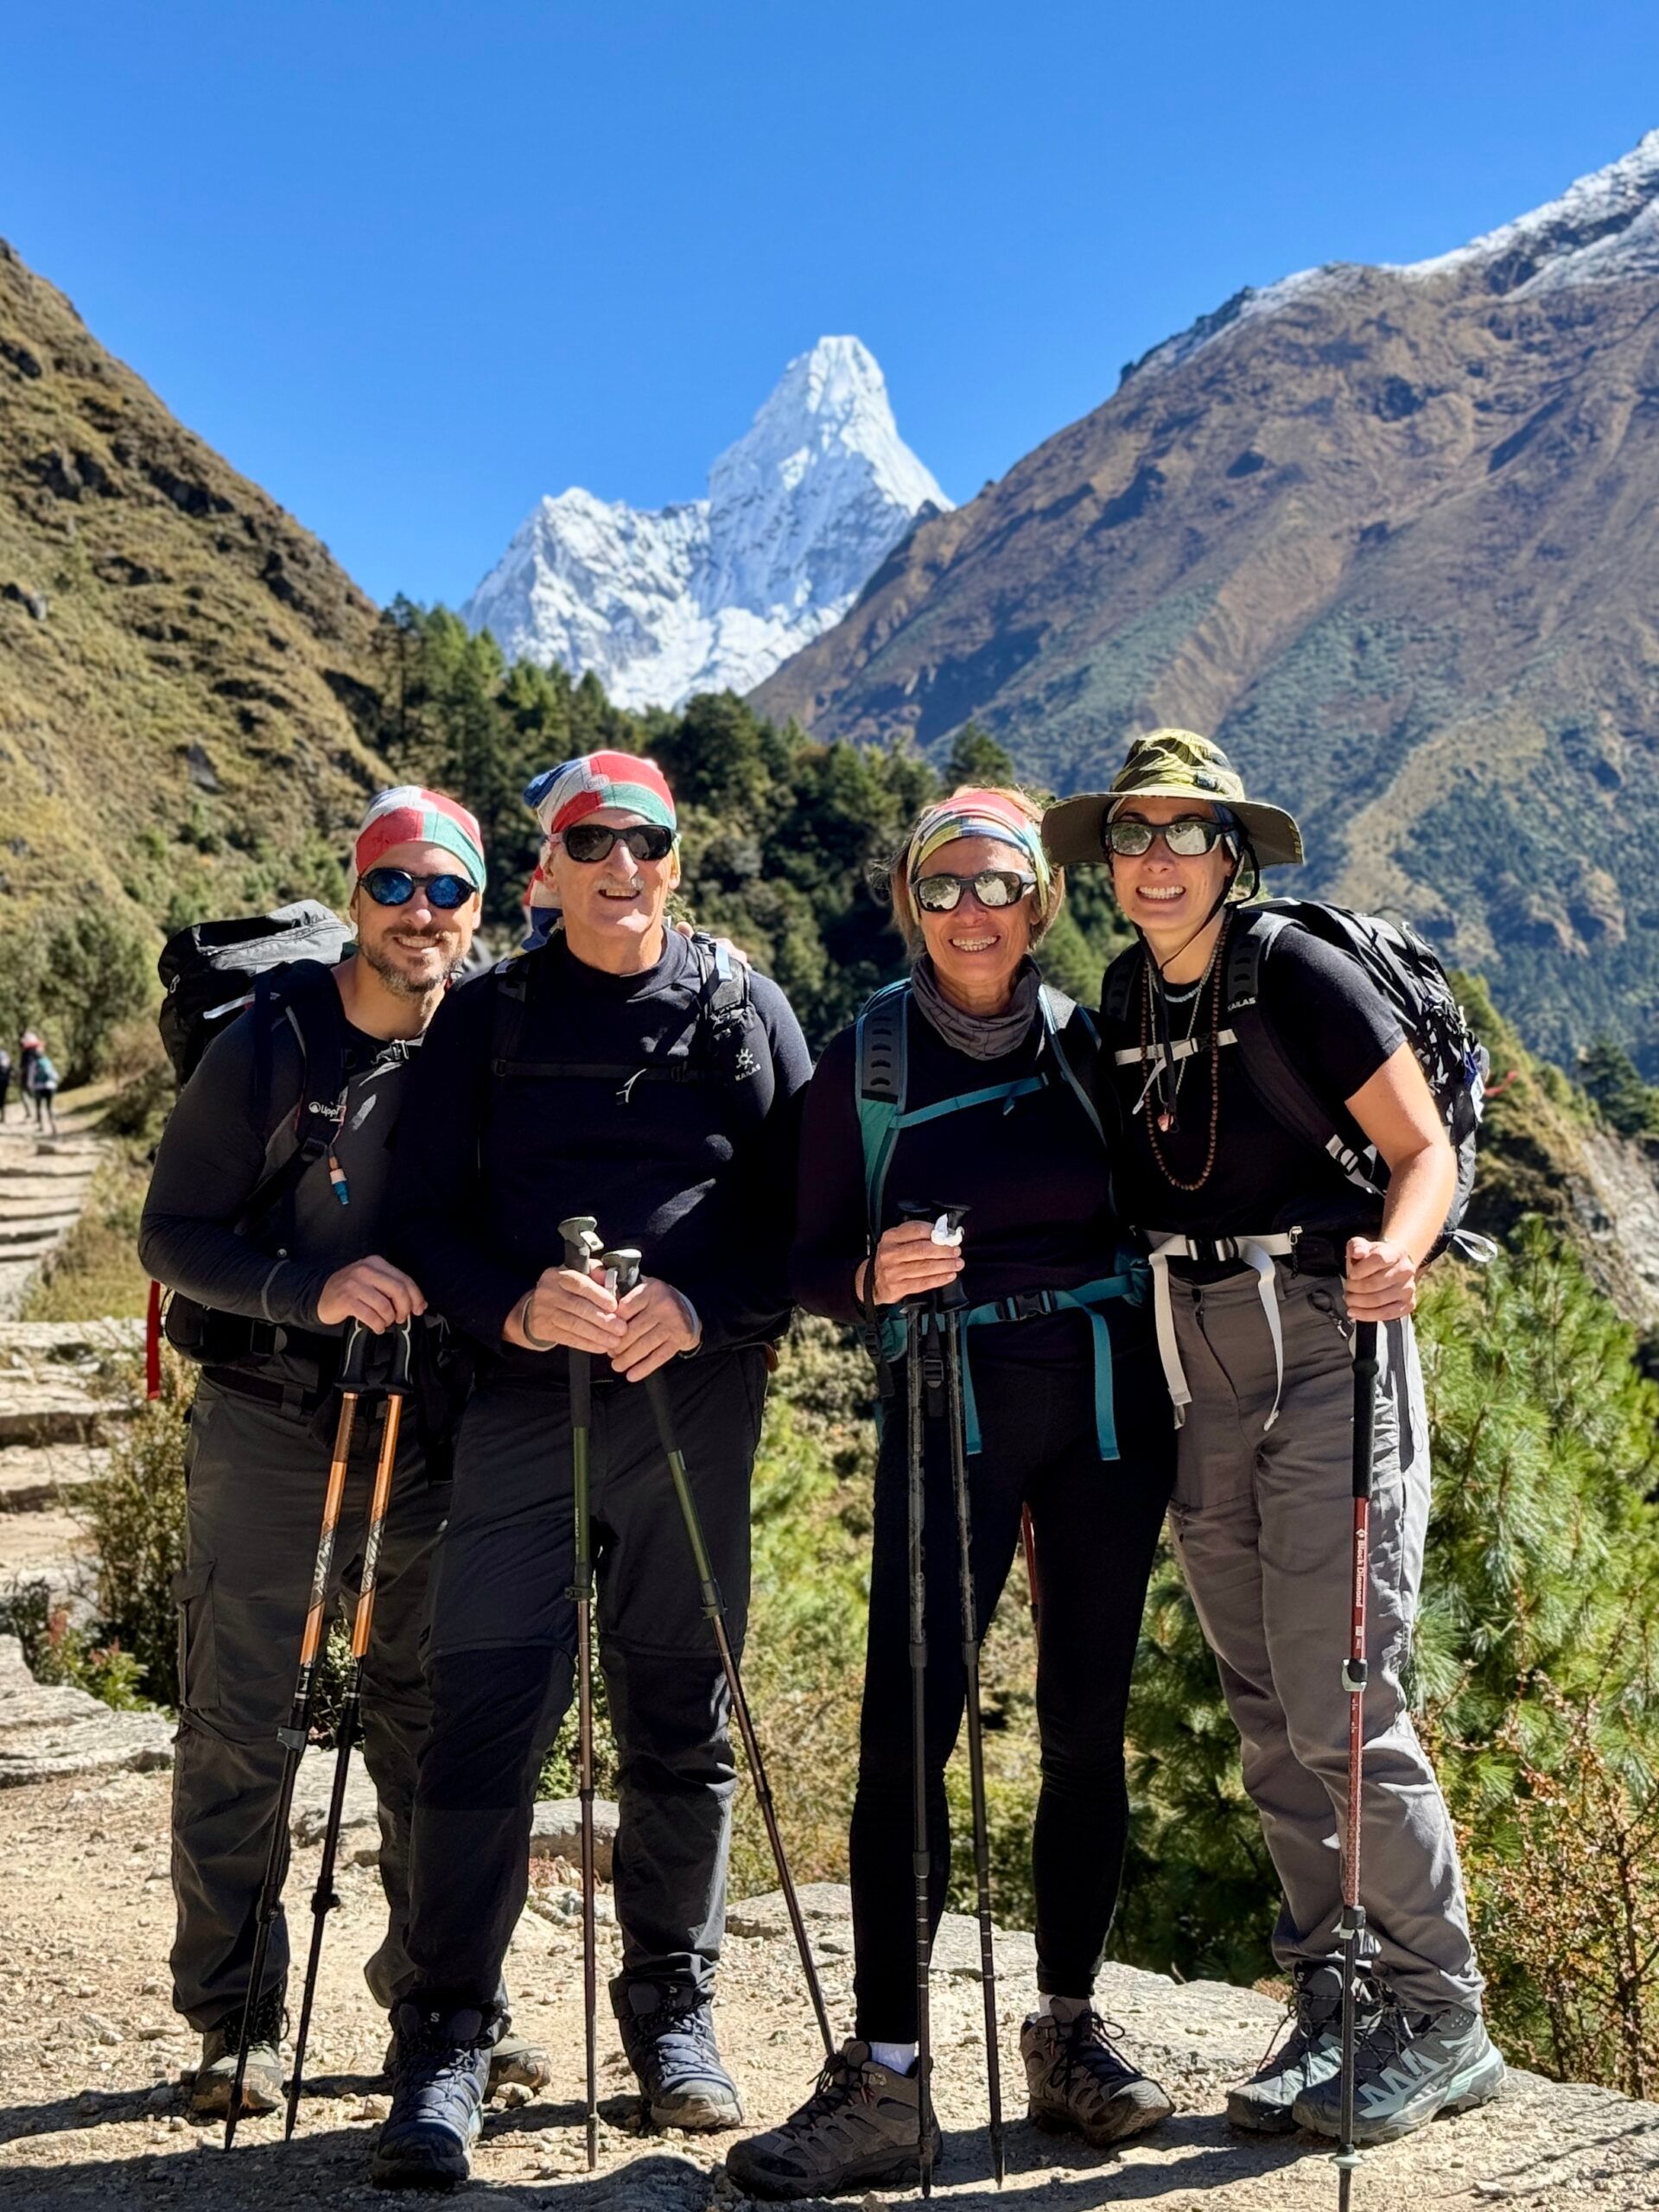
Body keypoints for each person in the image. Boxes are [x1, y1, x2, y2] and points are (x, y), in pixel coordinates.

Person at [1043, 728, 1505, 2145]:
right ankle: (1338, 1994)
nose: (1158, 859)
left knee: (1340, 1691)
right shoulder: (1123, 997)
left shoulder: (1297, 976)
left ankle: (1441, 2015)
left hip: (1327, 1333)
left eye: (1187, 833)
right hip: (1199, 1349)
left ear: (1232, 854)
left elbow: (1421, 1154)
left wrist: (1403, 1259)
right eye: (1134, 835)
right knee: (1262, 1700)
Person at [728, 788, 1176, 2201]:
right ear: (911, 903)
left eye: (999, 885)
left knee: (1084, 1723)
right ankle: (888, 2079)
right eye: (944, 887)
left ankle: (1064, 2031)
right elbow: (793, 1257)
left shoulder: (1093, 1045)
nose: (972, 909)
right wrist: (868, 1278)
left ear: (1043, 903)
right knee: (903, 1736)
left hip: (1109, 1412)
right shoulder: (865, 1060)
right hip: (949, 1407)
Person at [372, 749, 812, 2189]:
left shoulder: (743, 1012)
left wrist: (701, 1306)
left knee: (678, 1721)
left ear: (677, 859)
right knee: (483, 1724)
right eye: (592, 842)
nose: (623, 868)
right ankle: (445, 2039)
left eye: (649, 843)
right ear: (546, 865)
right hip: (514, 1407)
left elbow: (805, 1221)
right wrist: (509, 1302)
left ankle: (672, 2024)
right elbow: (421, 1219)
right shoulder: (484, 1022)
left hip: (692, 1408)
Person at [138, 786, 546, 2120]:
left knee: (427, 1722)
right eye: (394, 886)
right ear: (355, 892)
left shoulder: (496, 1035)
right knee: (243, 1714)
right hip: (271, 1413)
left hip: (430, 1422)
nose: (418, 913)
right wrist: (307, 1293)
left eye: (445, 890)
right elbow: (172, 1235)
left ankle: (438, 2009)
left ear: (478, 908)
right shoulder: (268, 1048)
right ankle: (236, 2020)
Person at [27, 1044, 60, 1134]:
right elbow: (54, 1074)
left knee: (39, 1107)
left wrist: (30, 1087)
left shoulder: (34, 1063)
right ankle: (54, 1126)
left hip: (39, 1087)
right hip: (50, 1087)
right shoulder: (48, 1061)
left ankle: (42, 1126)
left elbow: (31, 1077)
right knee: (49, 1107)